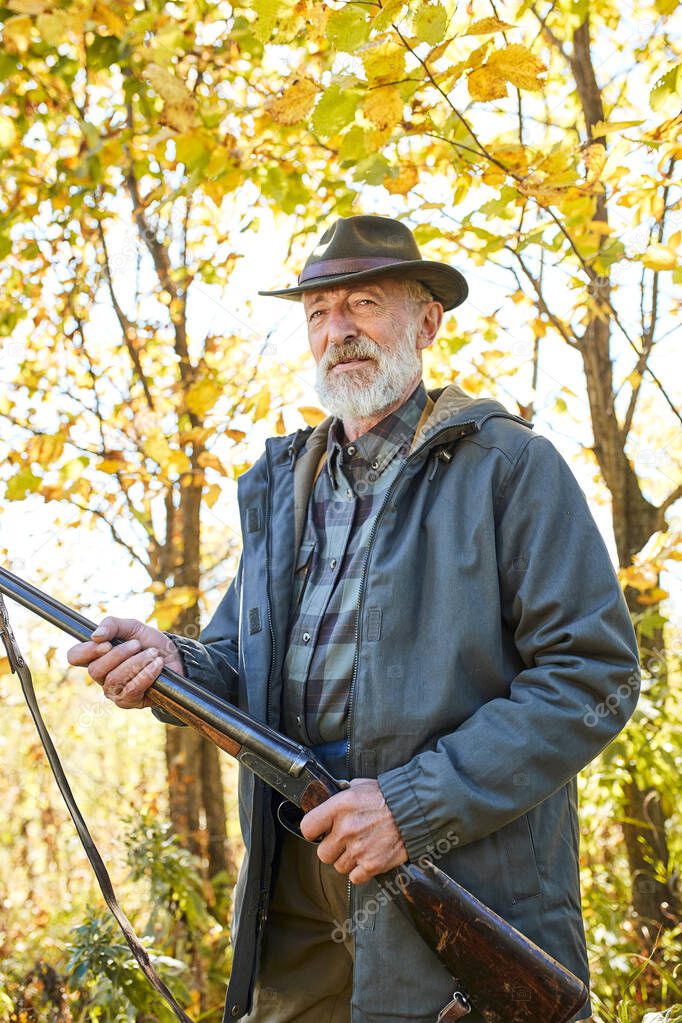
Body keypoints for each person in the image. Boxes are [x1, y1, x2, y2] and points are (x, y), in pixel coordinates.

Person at [67, 215, 640, 1023]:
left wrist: (411, 806)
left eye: (364, 304)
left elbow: (595, 674)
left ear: (426, 320)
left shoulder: (511, 469)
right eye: (318, 313)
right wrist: (172, 665)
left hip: (456, 870)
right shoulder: (283, 487)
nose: (338, 331)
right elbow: (238, 661)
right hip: (293, 888)